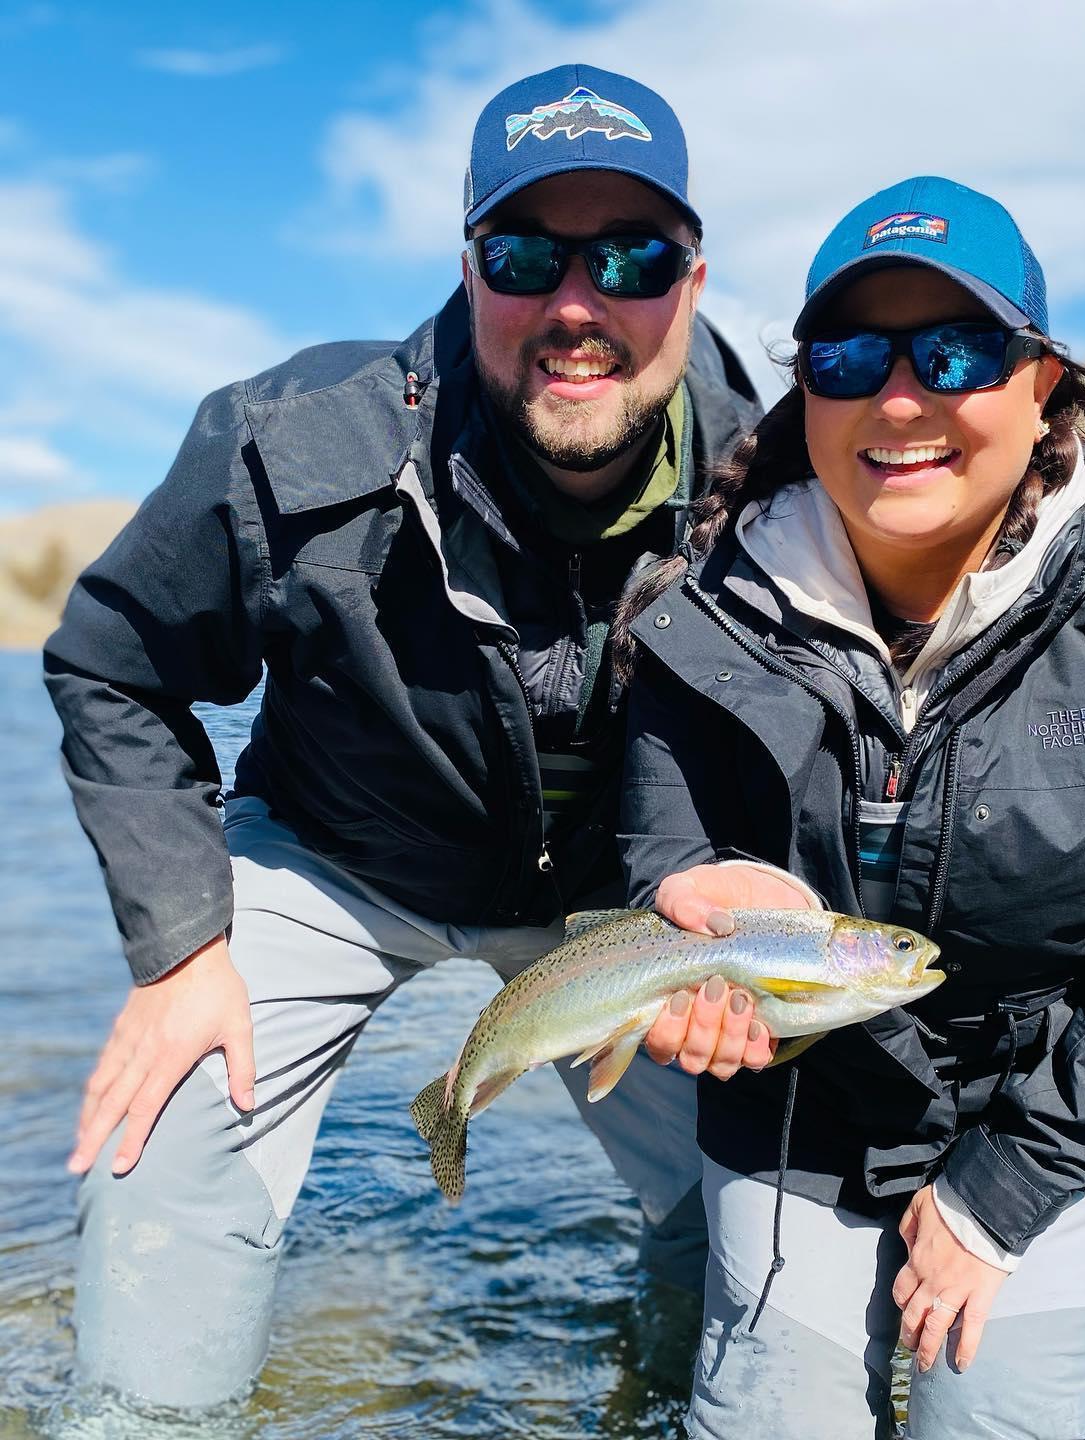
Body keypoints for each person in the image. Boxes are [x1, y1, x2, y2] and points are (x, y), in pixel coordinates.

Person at [43, 64, 771, 1409]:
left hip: (629, 899)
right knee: (164, 1142)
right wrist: (180, 945)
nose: (575, 303)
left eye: (630, 256)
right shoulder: (291, 441)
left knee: (760, 1201)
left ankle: (655, 1404)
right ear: (467, 265)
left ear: (694, 277)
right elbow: (112, 664)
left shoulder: (787, 485)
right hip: (337, 860)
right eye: (523, 254)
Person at [614, 175, 1085, 1439]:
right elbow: (659, 839)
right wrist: (683, 923)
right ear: (804, 387)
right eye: (851, 353)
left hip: (1057, 1125)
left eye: (958, 349)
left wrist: (1001, 1197)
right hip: (795, 1118)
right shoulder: (696, 606)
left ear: (1043, 384)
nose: (901, 396)